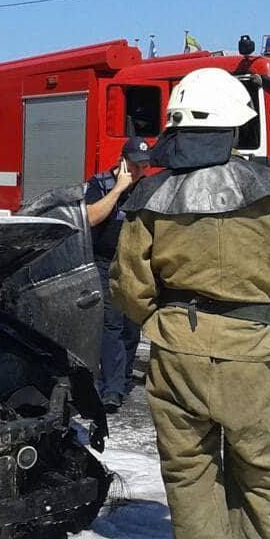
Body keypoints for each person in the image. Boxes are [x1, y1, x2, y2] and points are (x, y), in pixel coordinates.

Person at [112, 68, 270, 539]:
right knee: (266, 473)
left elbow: (130, 287)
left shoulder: (150, 196)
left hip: (177, 350)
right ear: (238, 125)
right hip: (252, 352)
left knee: (190, 473)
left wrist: (165, 323)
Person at [85, 136, 151, 412]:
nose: (139, 171)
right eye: (134, 165)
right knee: (111, 324)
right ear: (122, 161)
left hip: (134, 263)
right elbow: (90, 218)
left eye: (143, 166)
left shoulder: (146, 188)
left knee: (132, 324)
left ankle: (121, 380)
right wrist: (118, 190)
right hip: (105, 261)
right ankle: (111, 389)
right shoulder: (99, 184)